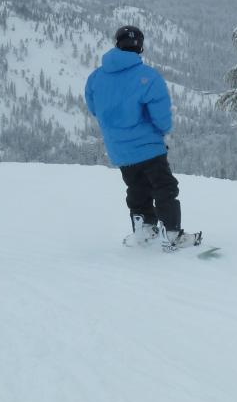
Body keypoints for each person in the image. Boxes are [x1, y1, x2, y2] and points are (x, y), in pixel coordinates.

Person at [84, 24, 200, 250]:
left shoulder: (95, 78)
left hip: (119, 150)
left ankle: (144, 229)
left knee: (136, 189)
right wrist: (161, 131)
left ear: (116, 44)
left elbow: (95, 109)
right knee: (164, 187)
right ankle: (173, 235)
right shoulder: (147, 77)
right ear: (141, 48)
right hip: (148, 147)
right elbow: (162, 118)